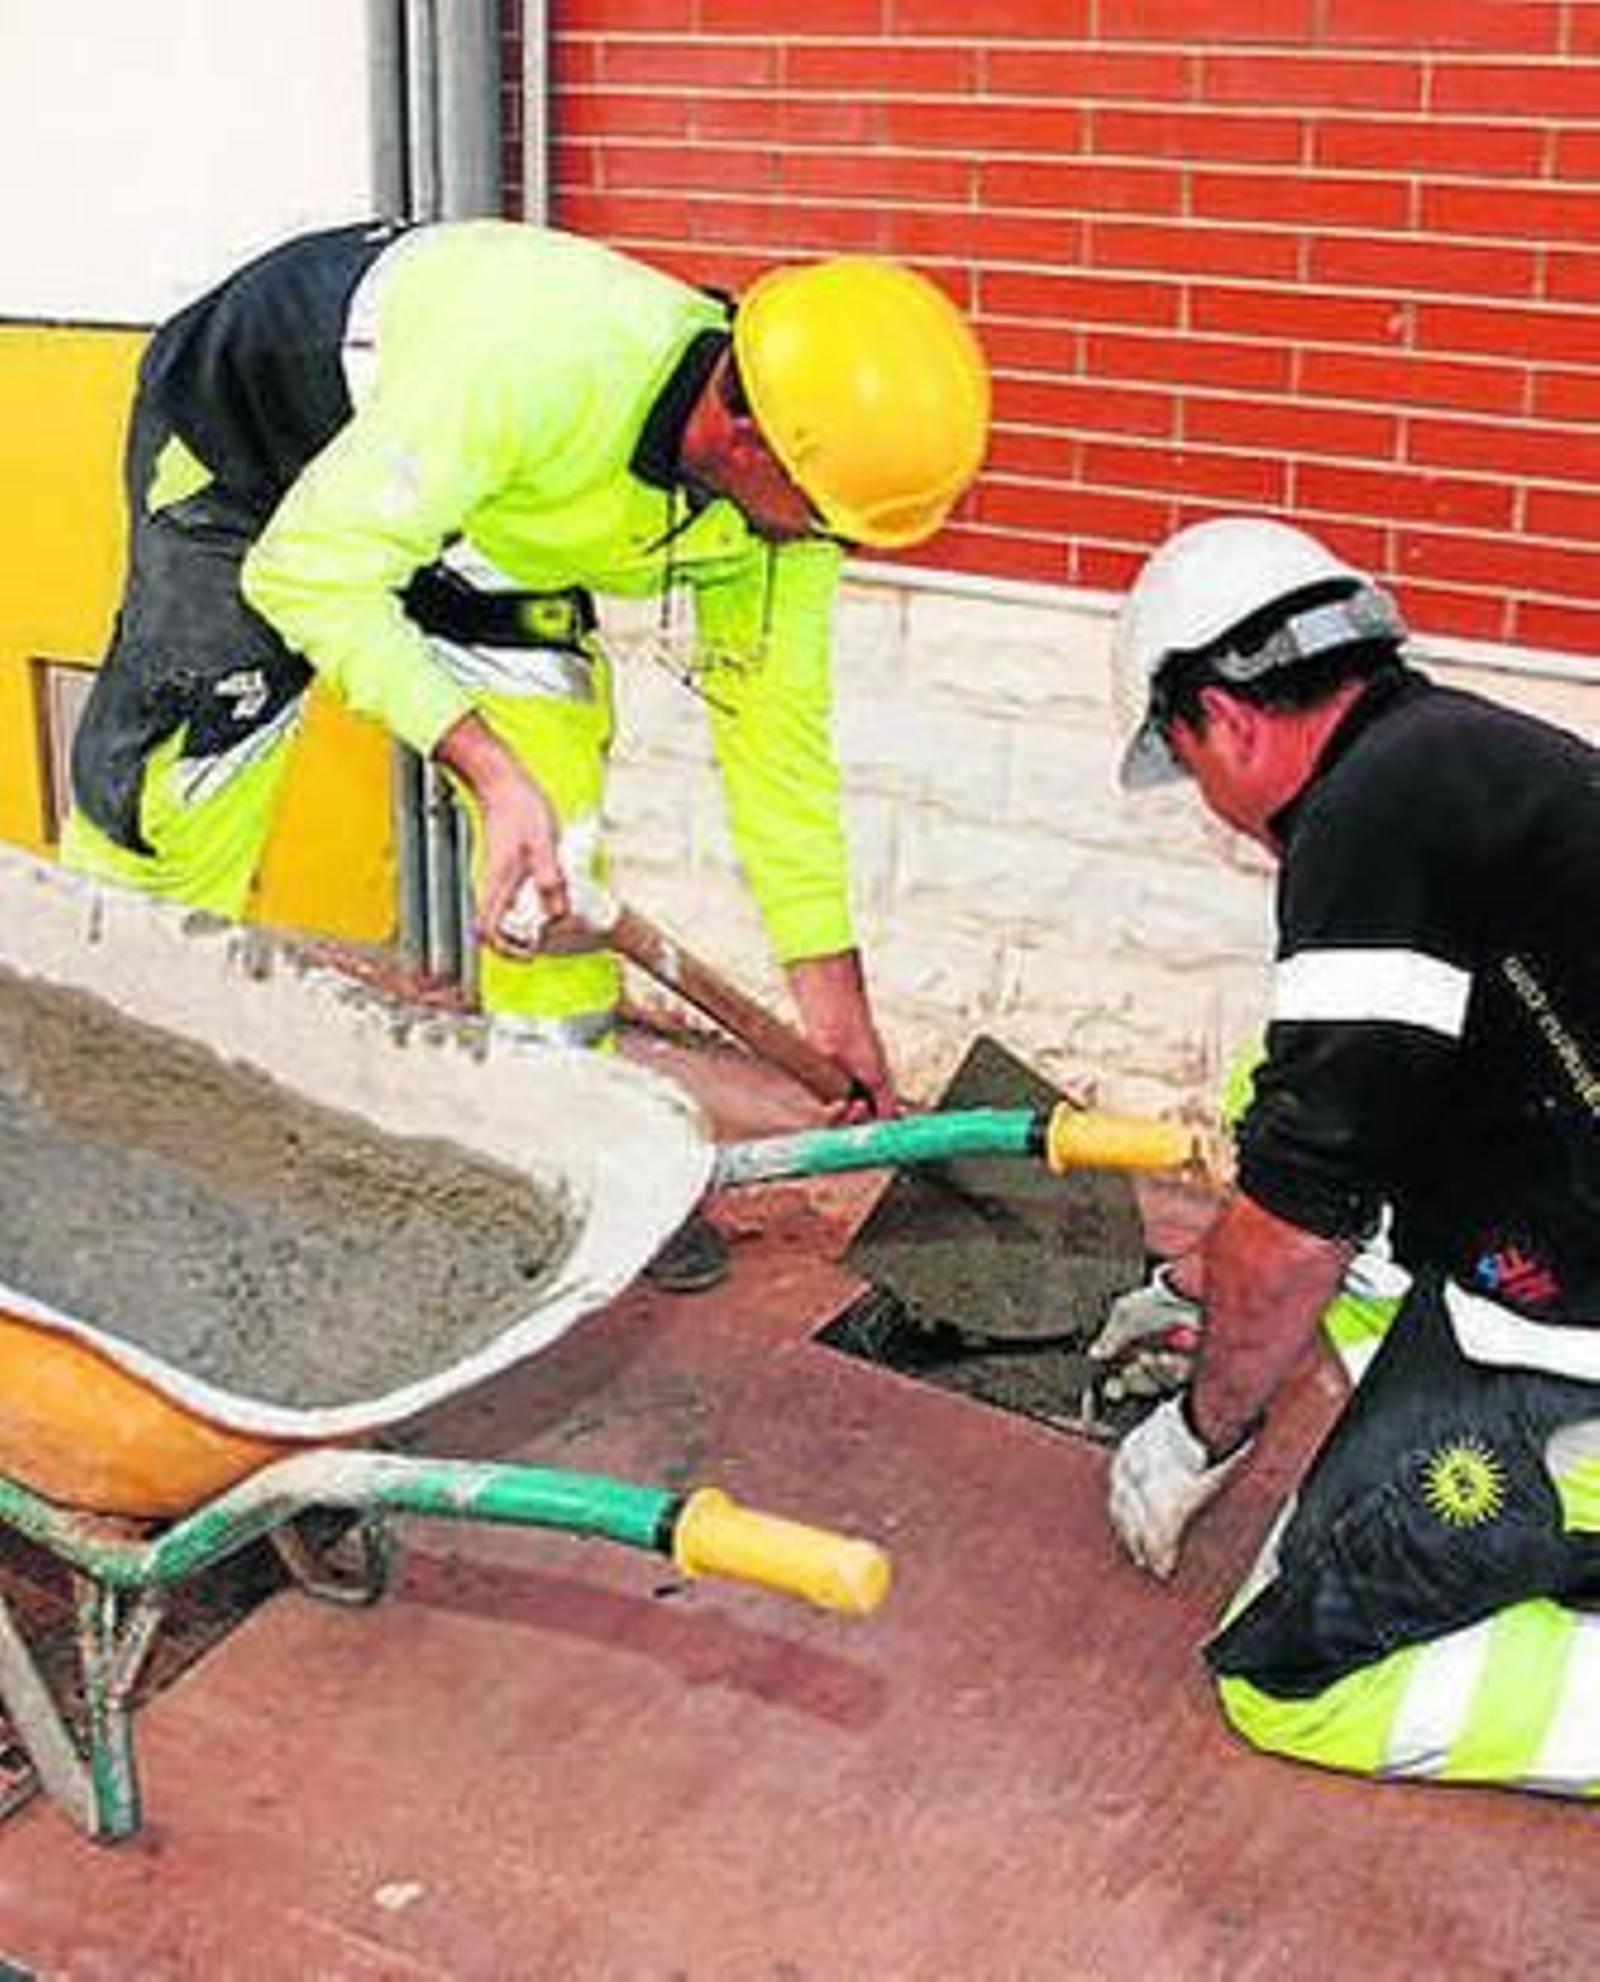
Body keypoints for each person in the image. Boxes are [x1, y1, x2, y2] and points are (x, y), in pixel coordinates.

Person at [61, 219, 991, 1290]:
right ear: (745, 438)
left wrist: (834, 1002)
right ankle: (103, 1125)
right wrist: (483, 764)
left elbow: (777, 749)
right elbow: (306, 575)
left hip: (489, 524)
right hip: (255, 455)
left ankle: (559, 1157)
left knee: (559, 851)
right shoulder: (537, 367)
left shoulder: (779, 517)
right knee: (178, 802)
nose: (840, 542)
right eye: (832, 519)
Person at [1103, 515, 1600, 1797]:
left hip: (1579, 1309)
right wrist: (1209, 1279)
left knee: (1287, 1679)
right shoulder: (1468, 757)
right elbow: (1342, 1115)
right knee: (1272, 1108)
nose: (1213, 809)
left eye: (1185, 761)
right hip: (1560, 1179)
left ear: (1224, 717)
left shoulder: (1367, 821)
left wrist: (1204, 1426)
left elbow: (1308, 1196)